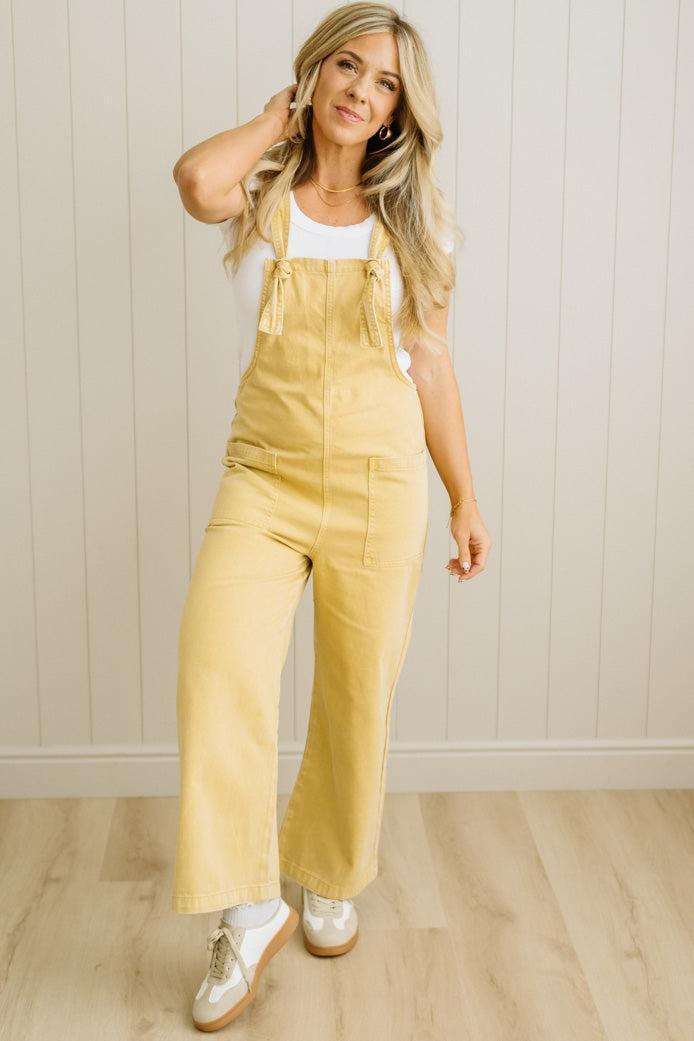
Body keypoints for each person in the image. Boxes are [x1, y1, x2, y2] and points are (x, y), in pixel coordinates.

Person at [171, 0, 491, 1030]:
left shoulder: (419, 219)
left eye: (385, 80)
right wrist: (277, 120)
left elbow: (431, 365)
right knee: (217, 668)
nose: (362, 90)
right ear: (314, 75)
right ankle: (249, 904)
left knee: (358, 692)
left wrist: (465, 496)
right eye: (345, 67)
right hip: (260, 477)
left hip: (378, 481)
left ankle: (328, 871)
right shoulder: (262, 190)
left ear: (403, 107)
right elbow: (194, 181)